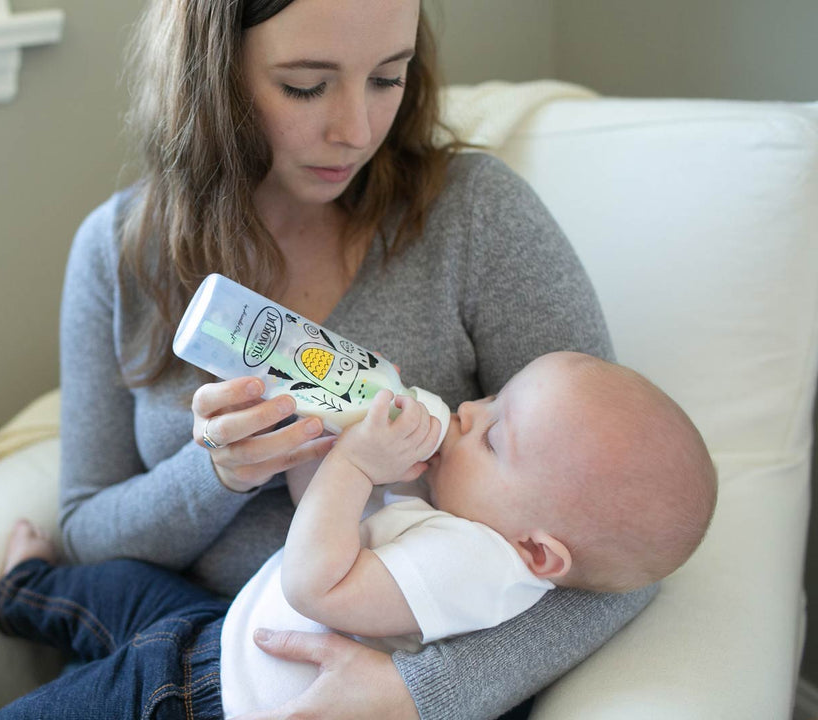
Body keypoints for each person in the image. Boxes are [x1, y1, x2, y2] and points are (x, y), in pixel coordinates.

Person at [53, 0, 659, 717]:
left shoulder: (475, 218)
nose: (357, 131)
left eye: (387, 77)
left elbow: (621, 545)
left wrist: (419, 692)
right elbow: (86, 530)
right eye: (307, 85)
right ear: (211, 74)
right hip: (183, 648)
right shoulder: (122, 249)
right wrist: (218, 473)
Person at [0, 351, 717, 719]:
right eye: (493, 396)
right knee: (116, 590)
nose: (469, 410)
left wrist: (359, 461)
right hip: (221, 632)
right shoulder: (468, 516)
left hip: (201, 697)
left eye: (494, 435)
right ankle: (29, 591)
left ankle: (27, 594)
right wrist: (325, 431)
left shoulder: (476, 568)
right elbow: (326, 519)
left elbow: (319, 582)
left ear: (538, 552)